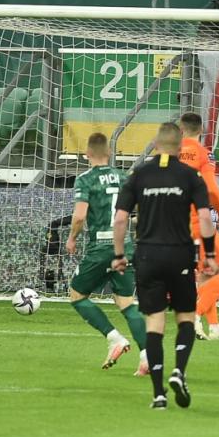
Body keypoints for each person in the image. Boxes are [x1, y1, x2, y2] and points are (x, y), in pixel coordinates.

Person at [112, 122, 219, 410]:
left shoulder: (138, 175)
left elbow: (121, 219)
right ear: (180, 144)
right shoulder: (190, 175)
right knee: (185, 318)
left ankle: (158, 394)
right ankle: (179, 371)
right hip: (180, 255)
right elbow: (206, 219)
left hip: (147, 256)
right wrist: (208, 255)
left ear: (156, 144)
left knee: (155, 324)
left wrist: (119, 254)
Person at [65, 133, 148, 375]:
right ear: (110, 153)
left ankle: (115, 339)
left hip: (101, 247)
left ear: (87, 154)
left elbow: (80, 215)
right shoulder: (125, 178)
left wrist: (72, 238)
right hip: (125, 247)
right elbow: (140, 211)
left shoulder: (85, 179)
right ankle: (146, 356)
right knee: (125, 303)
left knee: (77, 295)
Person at [178, 112, 219, 340]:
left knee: (204, 276)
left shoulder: (168, 153)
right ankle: (193, 317)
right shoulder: (203, 154)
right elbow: (211, 189)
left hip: (174, 223)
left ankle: (214, 327)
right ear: (201, 130)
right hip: (197, 221)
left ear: (180, 130)